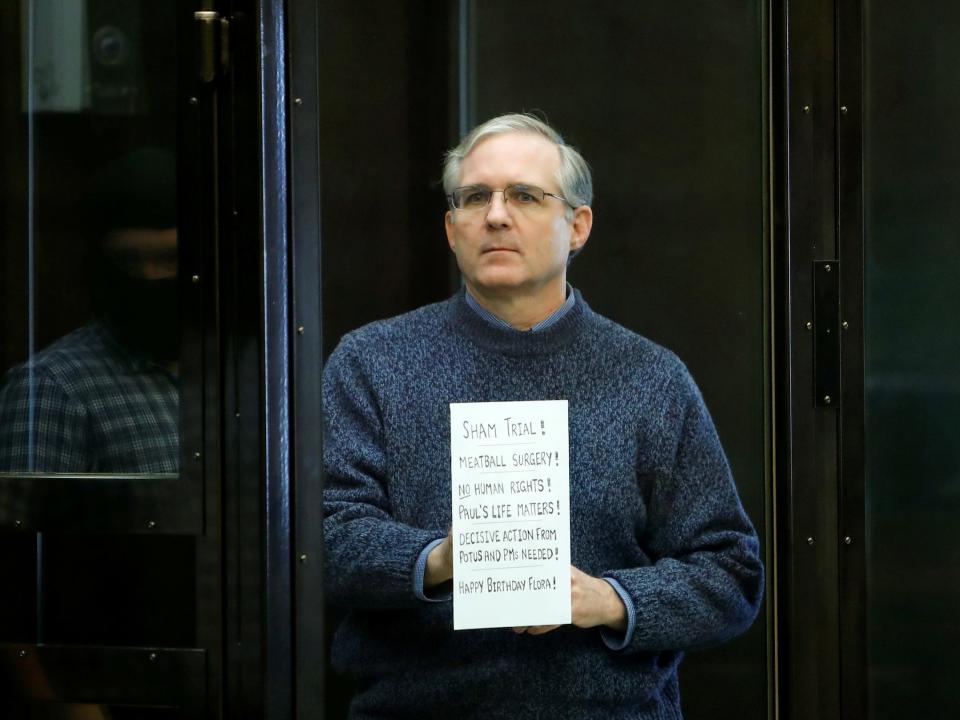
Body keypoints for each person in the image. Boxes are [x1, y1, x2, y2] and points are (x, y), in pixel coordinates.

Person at [322, 113, 764, 719]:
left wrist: (606, 600)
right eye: (476, 197)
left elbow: (730, 575)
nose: (496, 215)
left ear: (577, 225)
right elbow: (323, 541)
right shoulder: (370, 362)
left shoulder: (651, 377)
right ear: (451, 229)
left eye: (525, 196)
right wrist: (444, 559)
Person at [0, 147, 179, 474]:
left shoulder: (241, 375)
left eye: (171, 260)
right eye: (129, 261)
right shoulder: (52, 389)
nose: (150, 279)